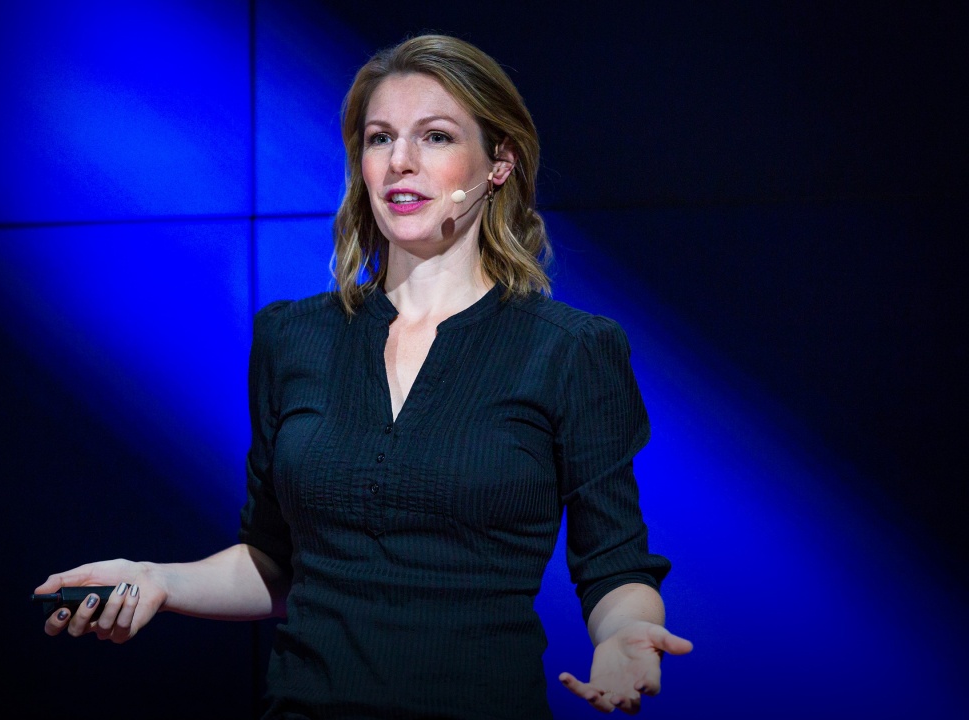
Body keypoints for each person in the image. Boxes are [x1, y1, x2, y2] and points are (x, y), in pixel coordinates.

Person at [35, 33, 692, 719]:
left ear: (500, 163)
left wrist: (625, 634)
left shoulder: (570, 350)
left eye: (435, 138)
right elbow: (273, 562)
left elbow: (615, 566)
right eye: (380, 139)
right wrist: (156, 580)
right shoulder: (293, 336)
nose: (400, 163)